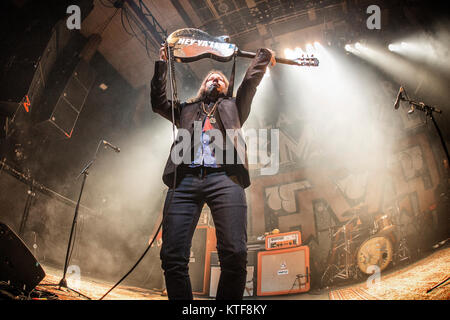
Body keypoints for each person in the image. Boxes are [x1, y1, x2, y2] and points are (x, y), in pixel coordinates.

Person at [151, 45, 275, 300]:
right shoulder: (186, 109)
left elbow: (249, 83)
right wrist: (162, 63)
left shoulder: (234, 106)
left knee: (235, 253)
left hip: (225, 178)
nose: (215, 79)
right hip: (184, 180)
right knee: (172, 256)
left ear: (226, 87)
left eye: (220, 78)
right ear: (201, 85)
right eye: (210, 77)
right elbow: (158, 102)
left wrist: (262, 57)